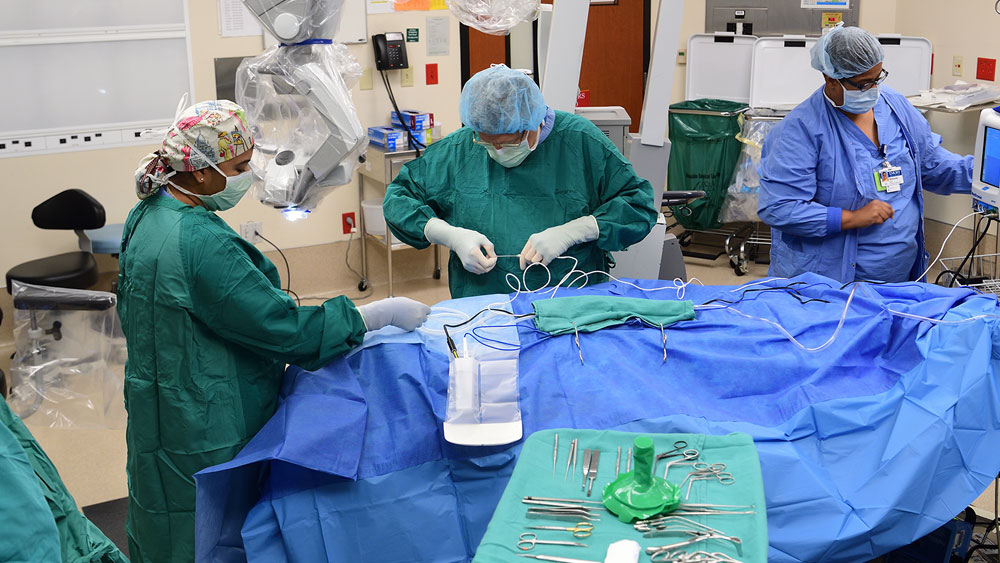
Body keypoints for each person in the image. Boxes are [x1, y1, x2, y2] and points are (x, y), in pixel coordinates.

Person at [118, 99, 430, 562]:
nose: (248, 174)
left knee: (167, 515)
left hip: (159, 408)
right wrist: (370, 316)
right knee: (214, 524)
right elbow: (282, 328)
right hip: (207, 418)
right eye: (241, 165)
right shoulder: (200, 242)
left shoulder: (147, 214)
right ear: (201, 172)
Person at [383, 65, 658, 298]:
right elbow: (398, 199)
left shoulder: (579, 141)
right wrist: (448, 234)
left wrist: (578, 229)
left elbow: (638, 205)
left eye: (507, 142)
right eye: (487, 142)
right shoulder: (460, 149)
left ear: (533, 121)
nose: (497, 152)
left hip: (571, 299)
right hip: (483, 303)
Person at [758, 24, 972, 283]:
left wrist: (984, 175)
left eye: (877, 79)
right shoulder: (800, 130)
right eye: (862, 84)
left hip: (901, 278)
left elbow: (931, 164)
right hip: (833, 283)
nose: (873, 90)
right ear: (831, 79)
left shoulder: (894, 106)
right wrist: (850, 218)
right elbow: (779, 208)